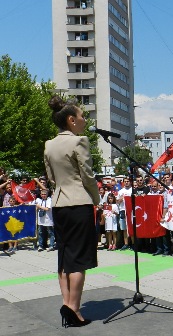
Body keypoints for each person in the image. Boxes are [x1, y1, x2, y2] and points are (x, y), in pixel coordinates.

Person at [44, 95, 100, 327]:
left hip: (59, 204)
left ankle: (67, 303)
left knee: (64, 257)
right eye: (81, 116)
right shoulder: (79, 141)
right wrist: (96, 199)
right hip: (79, 203)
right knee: (79, 260)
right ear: (71, 120)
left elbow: (50, 177)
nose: (84, 120)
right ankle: (74, 309)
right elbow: (87, 175)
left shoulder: (49, 144)